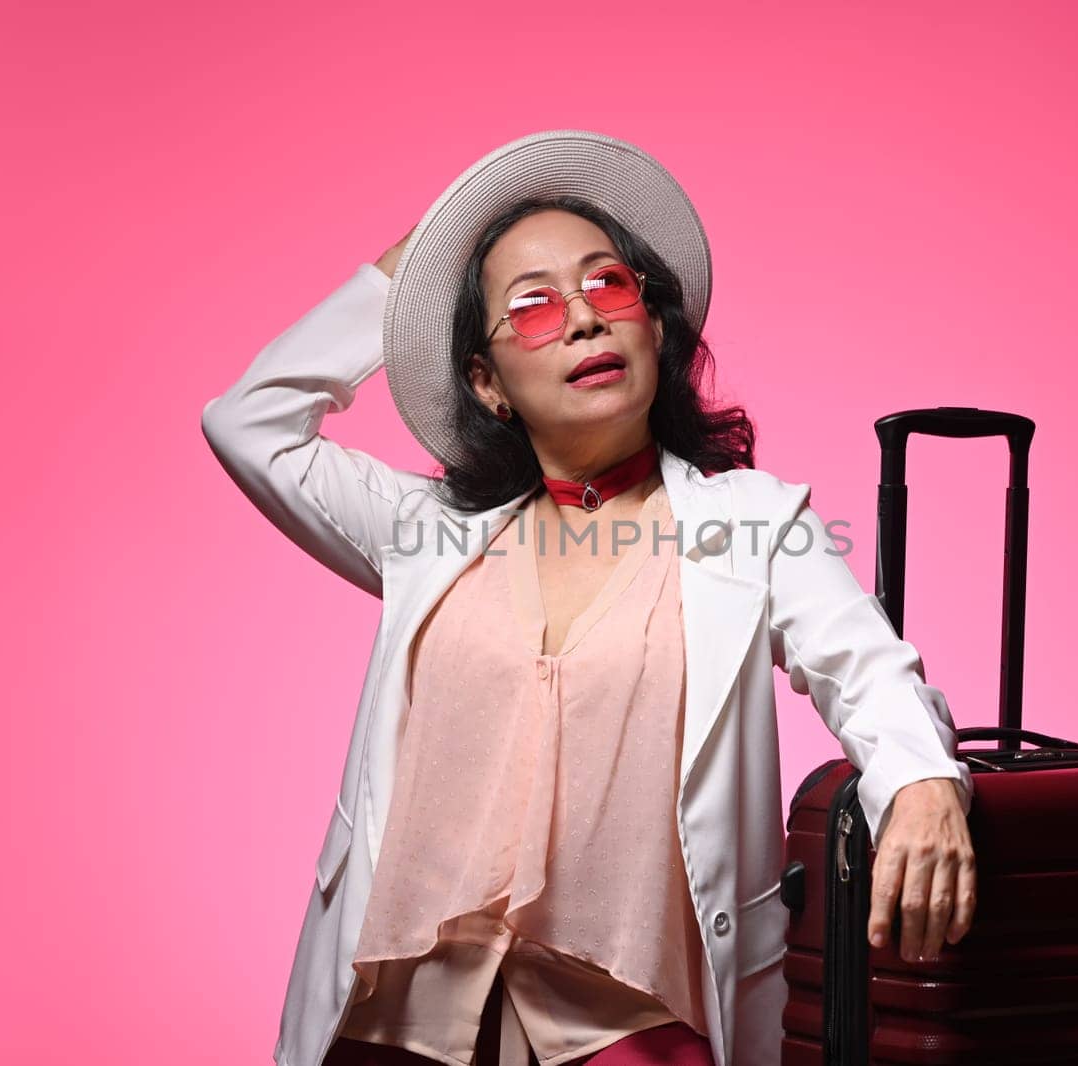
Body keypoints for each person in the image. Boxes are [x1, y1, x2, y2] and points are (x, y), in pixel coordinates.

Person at [201, 129, 977, 1066]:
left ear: (654, 326)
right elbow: (250, 424)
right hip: (398, 1030)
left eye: (609, 287)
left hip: (635, 1036)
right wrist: (404, 272)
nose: (581, 320)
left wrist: (926, 781)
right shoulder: (426, 531)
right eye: (530, 308)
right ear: (487, 383)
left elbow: (870, 672)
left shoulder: (753, 524)